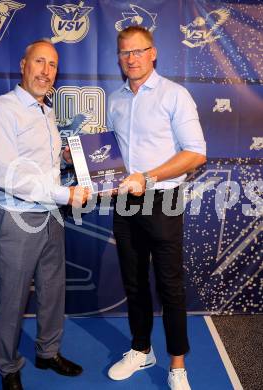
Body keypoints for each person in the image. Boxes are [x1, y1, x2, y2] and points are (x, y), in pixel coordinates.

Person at [0, 39, 90, 390]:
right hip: (17, 218)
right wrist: (64, 193)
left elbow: (40, 163)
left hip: (51, 216)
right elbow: (6, 174)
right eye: (40, 62)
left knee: (53, 290)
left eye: (53, 65)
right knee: (13, 297)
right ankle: (8, 367)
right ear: (23, 65)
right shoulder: (2, 109)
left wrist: (66, 161)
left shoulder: (45, 111)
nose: (46, 71)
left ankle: (48, 352)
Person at [106, 26, 206, 390]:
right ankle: (141, 348)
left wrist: (147, 176)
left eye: (138, 51)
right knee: (134, 283)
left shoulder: (174, 95)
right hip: (124, 201)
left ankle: (177, 364)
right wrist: (79, 158)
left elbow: (196, 152)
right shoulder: (114, 99)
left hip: (162, 198)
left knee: (169, 286)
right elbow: (108, 154)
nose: (131, 59)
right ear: (118, 57)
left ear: (153, 53)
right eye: (124, 53)